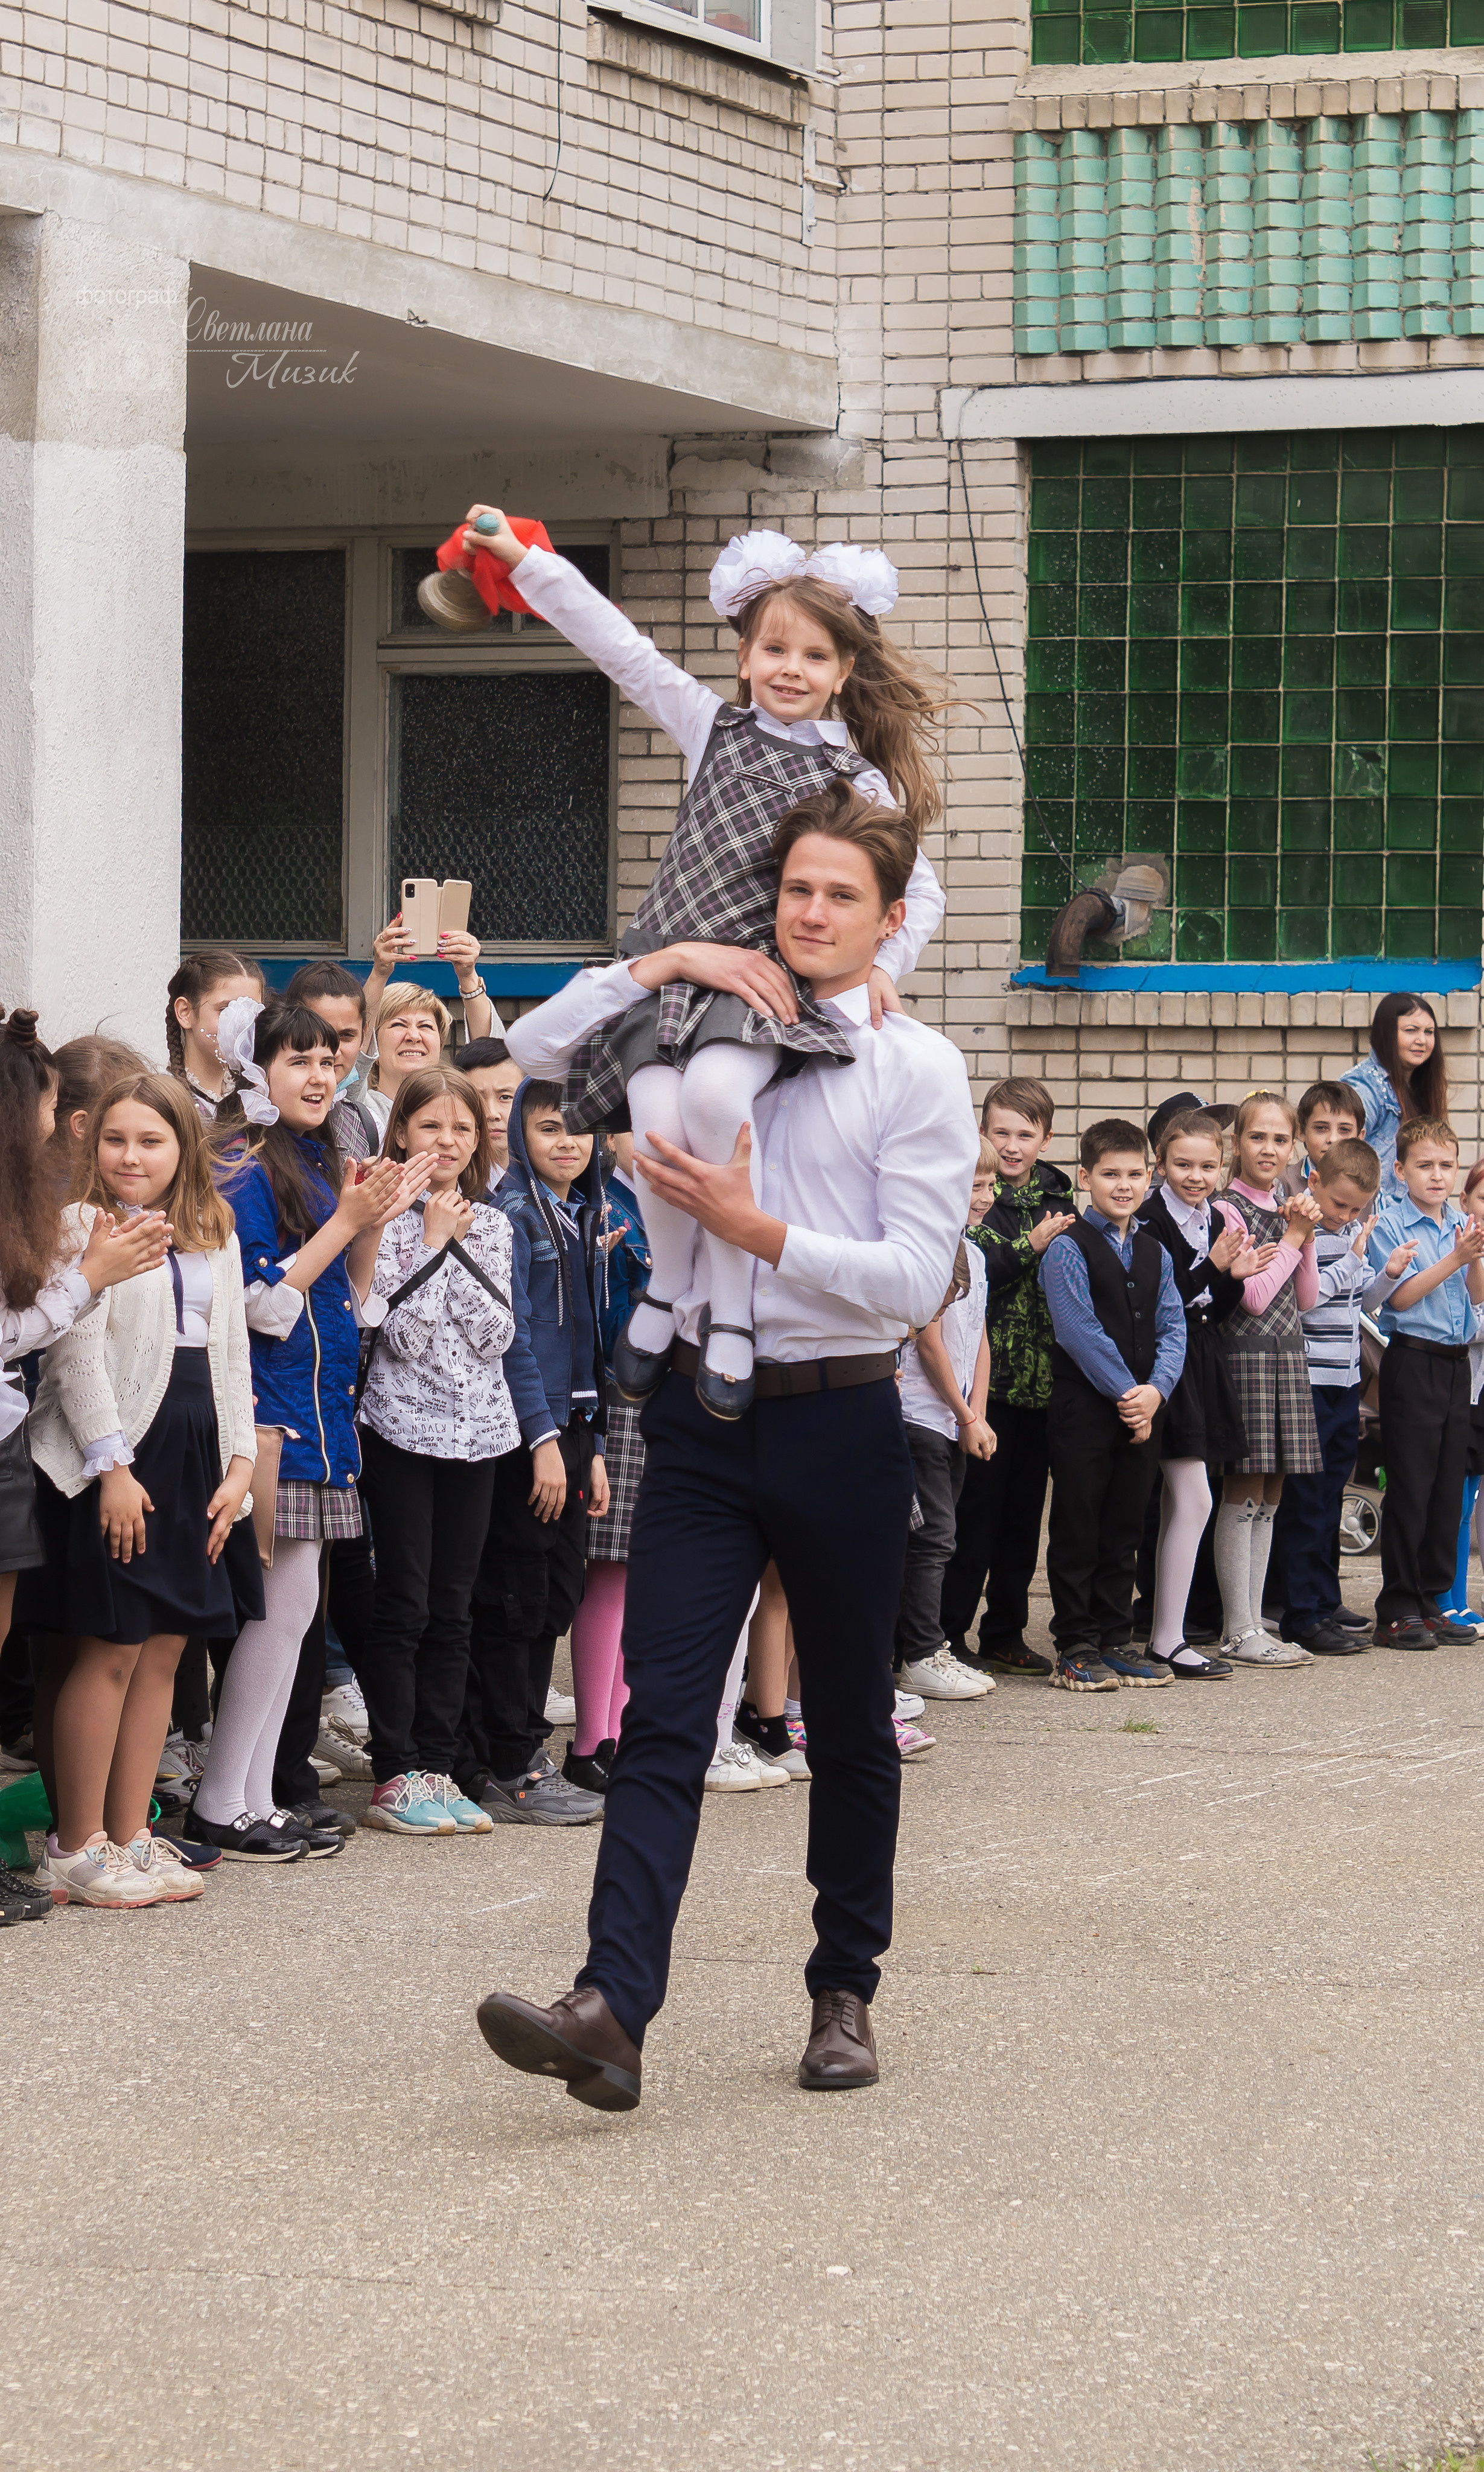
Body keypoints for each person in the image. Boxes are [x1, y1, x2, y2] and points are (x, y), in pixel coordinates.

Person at [474, 782, 978, 2109]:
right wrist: (661, 960)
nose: (809, 913)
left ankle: (842, 1989)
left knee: (850, 1722)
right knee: (660, 1714)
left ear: (888, 919)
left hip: (841, 1415)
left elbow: (912, 1277)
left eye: (838, 896)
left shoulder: (914, 1067)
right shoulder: (700, 1013)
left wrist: (758, 1232)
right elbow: (532, 1048)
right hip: (698, 1415)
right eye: (793, 888)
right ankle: (609, 2007)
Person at [457, 509, 950, 1418]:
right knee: (653, 1122)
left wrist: (888, 966)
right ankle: (666, 1288)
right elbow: (621, 649)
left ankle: (730, 1311)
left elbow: (918, 893)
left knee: (718, 1102)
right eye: (774, 649)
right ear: (744, 655)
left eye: (813, 656)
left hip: (754, 988)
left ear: (844, 670)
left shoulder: (859, 780)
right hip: (670, 971)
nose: (790, 669)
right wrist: (526, 562)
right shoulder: (711, 727)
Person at [186, 999, 429, 1861]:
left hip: (320, 1417)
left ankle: (251, 1798)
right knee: (272, 1614)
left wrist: (372, 1223)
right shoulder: (240, 1164)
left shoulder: (318, 1156)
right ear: (257, 1070)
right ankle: (221, 1801)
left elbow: (349, 1300)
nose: (321, 1076)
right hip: (269, 1418)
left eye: (330, 1061)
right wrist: (346, 1223)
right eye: (299, 1061)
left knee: (291, 1616)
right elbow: (259, 1305)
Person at [25, 1072, 260, 1908]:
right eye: (115, 1139)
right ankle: (75, 1844)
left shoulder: (215, 1226)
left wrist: (240, 1464)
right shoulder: (79, 1224)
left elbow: (232, 1353)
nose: (131, 1156)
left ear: (182, 1148)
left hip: (196, 1452)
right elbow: (75, 1356)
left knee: (165, 1648)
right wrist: (112, 1467)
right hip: (117, 1458)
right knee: (111, 1646)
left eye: (150, 1141)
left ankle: (130, 1834)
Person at [0, 1013, 169, 1925]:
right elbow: (31, 1340)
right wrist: (89, 1276)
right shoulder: (68, 1224)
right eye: (56, 1105)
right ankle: (74, 1837)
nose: (61, 1123)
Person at [357, 1067, 524, 1836]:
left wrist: (456, 1247)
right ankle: (395, 1768)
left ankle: (438, 1764)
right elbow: (401, 1334)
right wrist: (432, 1243)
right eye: (430, 1126)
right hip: (400, 1431)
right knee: (405, 1602)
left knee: (454, 1608)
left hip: (478, 1435)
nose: (448, 1141)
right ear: (400, 1133)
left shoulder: (494, 1224)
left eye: (462, 1128)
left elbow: (497, 1335)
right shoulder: (384, 1221)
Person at [454, 1080, 610, 1827]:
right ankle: (506, 1762)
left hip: (572, 1428)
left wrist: (592, 1444)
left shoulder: (580, 1210)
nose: (567, 1142)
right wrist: (544, 1438)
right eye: (548, 1128)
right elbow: (513, 1336)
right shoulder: (513, 1212)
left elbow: (585, 1342)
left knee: (554, 1595)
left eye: (579, 1129)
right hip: (528, 1433)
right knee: (514, 1598)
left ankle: (521, 1748)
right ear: (518, 1134)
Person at [1038, 1120, 1186, 1693]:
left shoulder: (1154, 1251)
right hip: (1086, 1411)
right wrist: (1130, 1395)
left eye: (1133, 1174)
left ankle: (1113, 1637)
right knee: (1079, 1524)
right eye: (1109, 1174)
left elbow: (1173, 1326)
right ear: (1085, 1177)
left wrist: (1156, 1392)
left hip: (1143, 1409)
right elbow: (1078, 1330)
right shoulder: (1067, 1248)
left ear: (1148, 1178)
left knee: (1126, 1525)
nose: (1122, 1186)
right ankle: (1074, 1644)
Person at [941, 1082, 1075, 1680]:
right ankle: (946, 1634)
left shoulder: (1059, 1199)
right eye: (1002, 1133)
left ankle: (1005, 1632)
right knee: (974, 1519)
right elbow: (977, 1268)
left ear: (1046, 1138)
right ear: (982, 1133)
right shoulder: (974, 1194)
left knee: (1023, 1522)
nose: (1013, 1146)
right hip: (983, 1391)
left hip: (1042, 1389)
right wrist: (1030, 1245)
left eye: (1025, 1134)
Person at [1272, 1138, 1415, 1655]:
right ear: (1313, 1181)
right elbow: (1305, 1303)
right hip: (1310, 1381)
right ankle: (1300, 1614)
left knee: (1330, 1495)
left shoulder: (1353, 1233)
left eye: (1357, 1209)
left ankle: (1324, 1602)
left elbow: (1360, 1303)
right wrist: (1352, 1261)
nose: (1347, 1215)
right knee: (1306, 1500)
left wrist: (1386, 1274)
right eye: (1339, 1204)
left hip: (1343, 1383)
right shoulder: (1304, 1233)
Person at [1135, 1108, 1259, 1681]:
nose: (1195, 1176)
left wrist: (1232, 1277)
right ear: (1160, 1164)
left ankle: (1167, 1635)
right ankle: (1165, 1638)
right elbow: (1164, 1299)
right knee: (1192, 1501)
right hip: (1163, 1363)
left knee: (1185, 1502)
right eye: (1183, 1165)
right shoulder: (1151, 1219)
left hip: (1201, 1361)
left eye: (1207, 1167)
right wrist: (1212, 1267)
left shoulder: (1213, 1218)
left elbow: (1213, 1309)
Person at [1212, 1092, 1325, 1668]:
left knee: (1272, 1495)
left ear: (1292, 1148)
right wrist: (1295, 1237)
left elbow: (1304, 1297)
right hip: (1246, 1358)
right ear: (1236, 1143)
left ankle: (1255, 1621)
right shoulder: (1227, 1209)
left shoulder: (1287, 1209)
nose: (1268, 1149)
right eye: (1257, 1137)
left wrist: (1304, 1235)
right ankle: (1236, 1629)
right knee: (1244, 1490)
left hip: (1286, 1357)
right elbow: (1253, 1298)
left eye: (1280, 1140)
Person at [1366, 1117, 1484, 1650]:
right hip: (1413, 1360)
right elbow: (1400, 1297)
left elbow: (1475, 1297)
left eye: (1445, 1165)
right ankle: (1397, 1607)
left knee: (1444, 1488)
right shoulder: (1392, 1224)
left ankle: (1432, 1598)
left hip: (1457, 1365)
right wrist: (1457, 1258)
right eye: (1424, 1165)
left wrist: (1472, 1259)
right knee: (1411, 1485)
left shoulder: (1460, 1221)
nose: (1436, 1176)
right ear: (1400, 1170)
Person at [563, 1125, 649, 1796]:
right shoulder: (605, 1207)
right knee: (610, 1572)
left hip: (659, 1399)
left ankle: (617, 1730)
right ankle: (592, 1738)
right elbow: (608, 1325)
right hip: (619, 1399)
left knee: (635, 1572)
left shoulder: (656, 1207)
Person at [893, 1236, 995, 1703]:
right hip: (920, 1414)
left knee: (939, 1538)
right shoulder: (928, 1247)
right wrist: (963, 1413)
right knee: (931, 1539)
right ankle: (919, 1654)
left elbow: (978, 1336)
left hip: (956, 1420)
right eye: (971, 1194)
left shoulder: (974, 1255)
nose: (982, 1200)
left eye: (988, 1194)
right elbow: (929, 1342)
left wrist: (975, 1414)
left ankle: (922, 1651)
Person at [1436, 1159, 1484, 1626]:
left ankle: (1459, 1597)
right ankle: (1445, 1597)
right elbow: (1466, 1322)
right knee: (1455, 1501)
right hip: (1461, 1391)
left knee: (1470, 1503)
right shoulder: (1455, 1246)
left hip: (1477, 1393)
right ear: (1465, 1200)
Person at [1342, 994, 1448, 1197]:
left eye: (1429, 1032)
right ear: (1386, 1034)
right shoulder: (1364, 1086)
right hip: (1372, 1210)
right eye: (1411, 1031)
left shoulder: (1419, 1084)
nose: (1422, 1040)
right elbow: (1340, 1157)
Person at [165, 951, 266, 1122]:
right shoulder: (162, 1099)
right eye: (225, 1010)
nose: (241, 1025)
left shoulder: (259, 1097)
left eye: (251, 1012)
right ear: (185, 1012)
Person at [459, 1038, 523, 1189]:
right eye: (478, 1099)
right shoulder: (452, 1186)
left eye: (505, 1097)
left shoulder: (547, 1178)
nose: (492, 1114)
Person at [1286, 1082, 1361, 1193]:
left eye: (1345, 1130)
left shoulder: (1369, 1186)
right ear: (1301, 1131)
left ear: (1359, 1137)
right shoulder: (1283, 1184)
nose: (1333, 1139)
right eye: (1321, 1128)